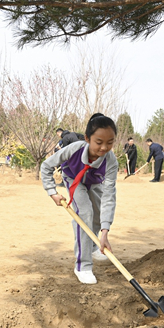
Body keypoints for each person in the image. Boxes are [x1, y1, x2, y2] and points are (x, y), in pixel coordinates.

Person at [42, 114, 118, 285]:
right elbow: (46, 165)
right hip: (74, 179)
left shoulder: (111, 161)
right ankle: (83, 266)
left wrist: (105, 232)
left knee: (98, 215)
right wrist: (52, 191)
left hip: (94, 183)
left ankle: (92, 246)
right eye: (99, 142)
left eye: (110, 142)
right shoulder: (74, 148)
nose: (104, 148)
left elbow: (109, 196)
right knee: (84, 214)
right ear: (87, 139)